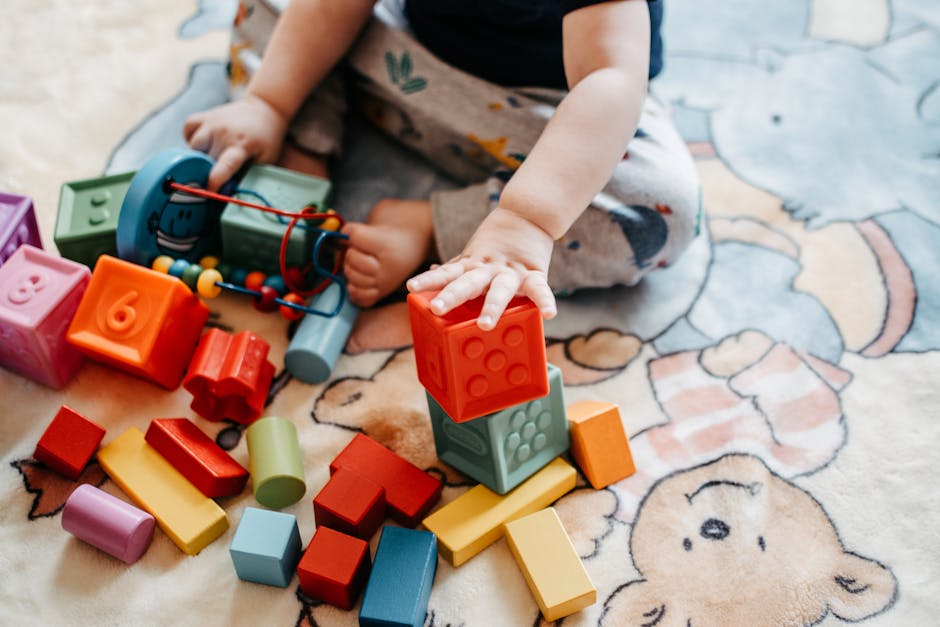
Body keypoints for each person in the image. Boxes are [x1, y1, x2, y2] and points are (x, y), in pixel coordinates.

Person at [183, 0, 700, 330]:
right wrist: (269, 101)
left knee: (661, 210)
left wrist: (524, 222)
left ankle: (432, 227)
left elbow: (608, 79)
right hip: (406, 64)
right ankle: (301, 151)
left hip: (555, 117)